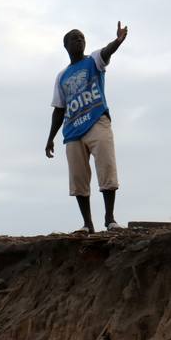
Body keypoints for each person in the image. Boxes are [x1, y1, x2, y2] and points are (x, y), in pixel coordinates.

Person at [45, 22, 128, 232]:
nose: (79, 40)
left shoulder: (94, 61)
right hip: (73, 131)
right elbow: (59, 110)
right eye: (74, 38)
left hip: (96, 120)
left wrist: (117, 41)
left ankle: (110, 219)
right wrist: (50, 138)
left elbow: (107, 52)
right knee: (78, 178)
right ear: (66, 46)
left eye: (82, 37)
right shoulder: (62, 76)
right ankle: (87, 224)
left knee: (106, 166)